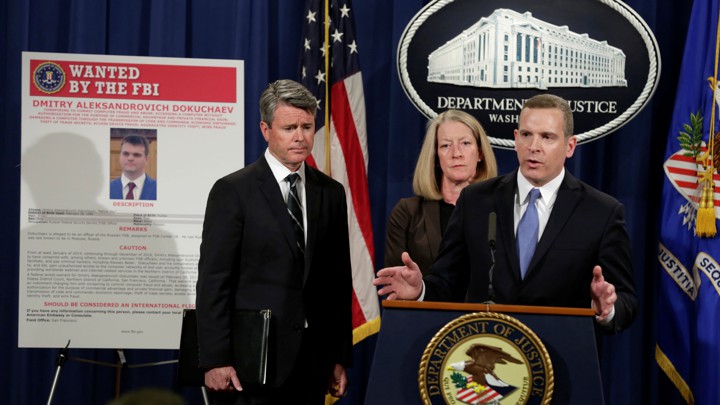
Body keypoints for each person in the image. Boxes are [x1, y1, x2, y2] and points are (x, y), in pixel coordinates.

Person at [374, 94, 637, 333]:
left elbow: (626, 300)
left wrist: (607, 308)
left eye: (547, 137)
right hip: (484, 360)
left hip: (562, 364)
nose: (534, 146)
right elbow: (446, 282)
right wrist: (420, 290)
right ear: (515, 138)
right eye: (526, 135)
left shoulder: (601, 212)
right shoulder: (476, 201)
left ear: (570, 146)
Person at [195, 79, 352, 404]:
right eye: (289, 127)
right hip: (251, 361)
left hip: (312, 360)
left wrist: (337, 356)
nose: (300, 136)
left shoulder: (331, 193)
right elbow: (214, 282)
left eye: (307, 126)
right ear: (266, 129)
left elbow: (337, 281)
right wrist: (215, 358)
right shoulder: (234, 191)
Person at [385, 109, 498, 274]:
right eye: (446, 145)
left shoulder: (501, 210)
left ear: (480, 153)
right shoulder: (407, 213)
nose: (456, 153)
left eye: (465, 143)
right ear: (436, 157)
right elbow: (397, 286)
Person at [109, 134, 157, 200]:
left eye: (136, 155)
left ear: (146, 160)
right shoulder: (107, 188)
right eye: (126, 154)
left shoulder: (159, 189)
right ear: (120, 156)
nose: (130, 158)